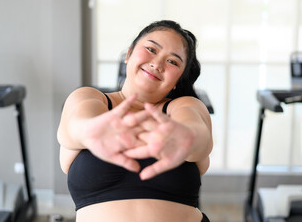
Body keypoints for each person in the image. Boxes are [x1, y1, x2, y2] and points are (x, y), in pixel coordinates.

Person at [57, 20, 213, 222]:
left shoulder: (184, 107)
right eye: (151, 49)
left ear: (178, 81)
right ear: (129, 54)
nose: (157, 64)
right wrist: (89, 131)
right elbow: (75, 124)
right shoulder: (89, 99)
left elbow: (198, 134)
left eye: (173, 61)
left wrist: (187, 137)